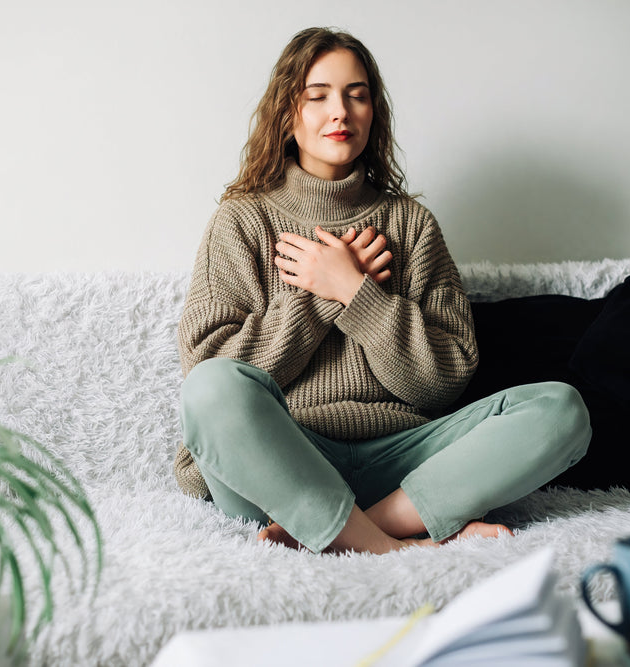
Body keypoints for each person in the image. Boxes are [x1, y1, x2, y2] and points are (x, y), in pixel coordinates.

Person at [175, 27, 590, 554]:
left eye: (357, 94)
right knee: (209, 387)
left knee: (562, 409)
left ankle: (352, 530)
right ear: (286, 113)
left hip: (407, 463)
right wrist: (318, 297)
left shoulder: (411, 225)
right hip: (285, 465)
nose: (340, 112)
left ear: (374, 112)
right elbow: (209, 370)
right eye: (317, 95)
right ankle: (395, 545)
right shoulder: (241, 221)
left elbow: (442, 381)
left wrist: (357, 293)